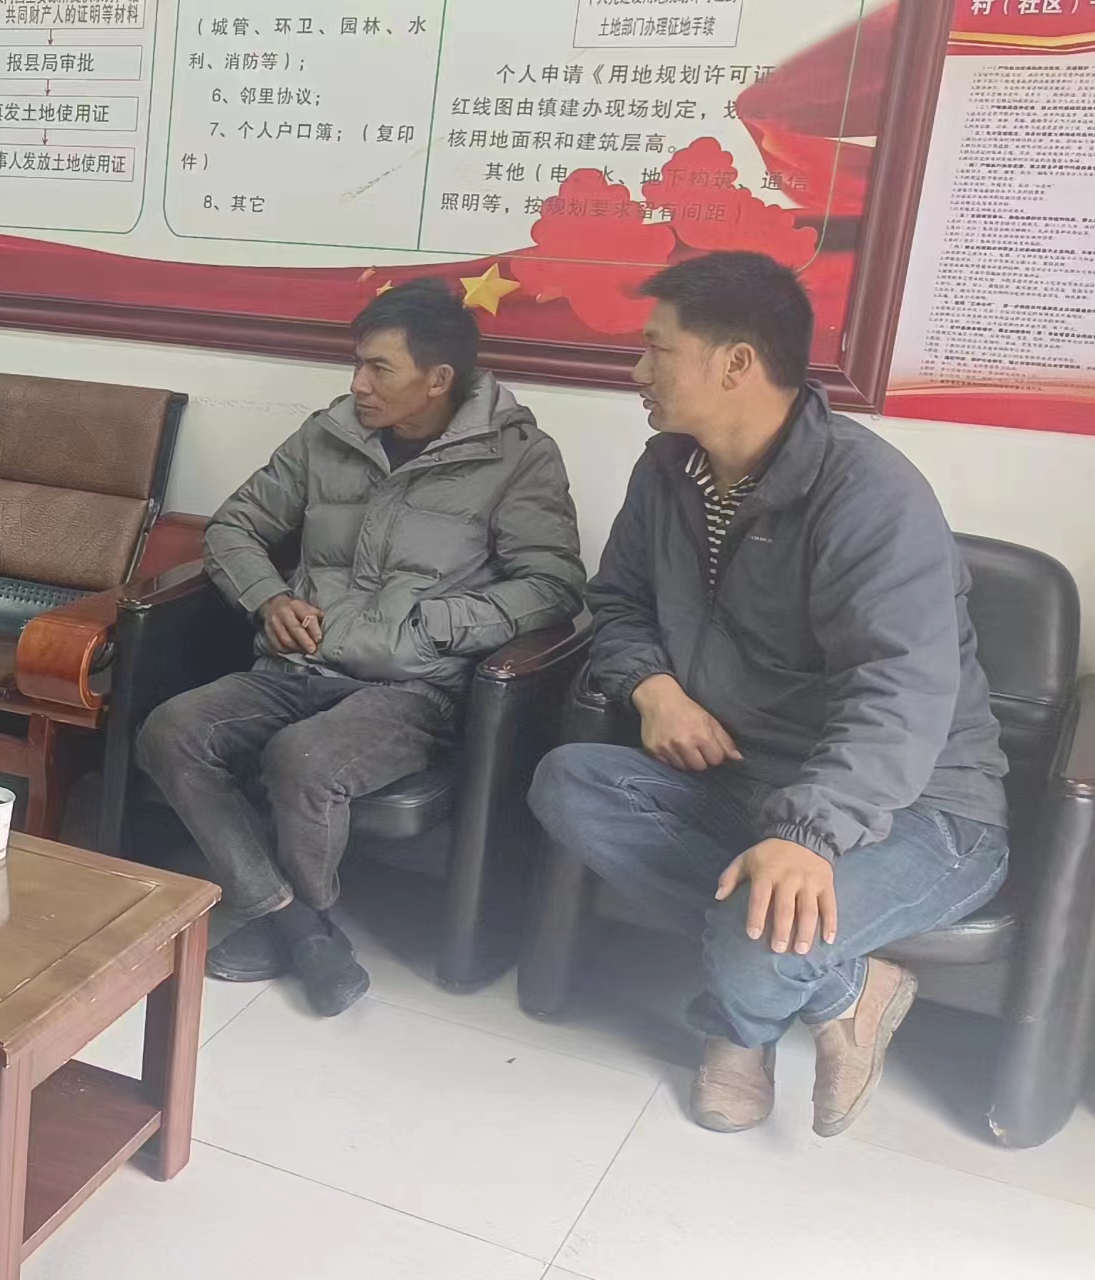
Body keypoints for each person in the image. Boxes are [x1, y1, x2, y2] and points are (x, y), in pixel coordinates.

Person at [530, 251, 1008, 1137]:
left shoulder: (869, 495)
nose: (637, 371)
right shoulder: (666, 473)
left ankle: (736, 1030)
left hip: (916, 808)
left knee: (762, 936)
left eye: (656, 349)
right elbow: (620, 602)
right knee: (567, 781)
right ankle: (853, 989)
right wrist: (654, 689)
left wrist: (805, 836)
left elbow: (900, 690)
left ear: (736, 363)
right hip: (749, 778)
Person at [135, 279, 585, 1015]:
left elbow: (553, 586)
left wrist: (438, 626)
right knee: (172, 731)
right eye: (357, 364)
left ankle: (283, 924)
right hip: (296, 663)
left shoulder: (518, 457)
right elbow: (234, 526)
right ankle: (297, 926)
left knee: (305, 760)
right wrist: (268, 598)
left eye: (379, 368)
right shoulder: (328, 435)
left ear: (437, 379)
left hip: (409, 689)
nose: (358, 385)